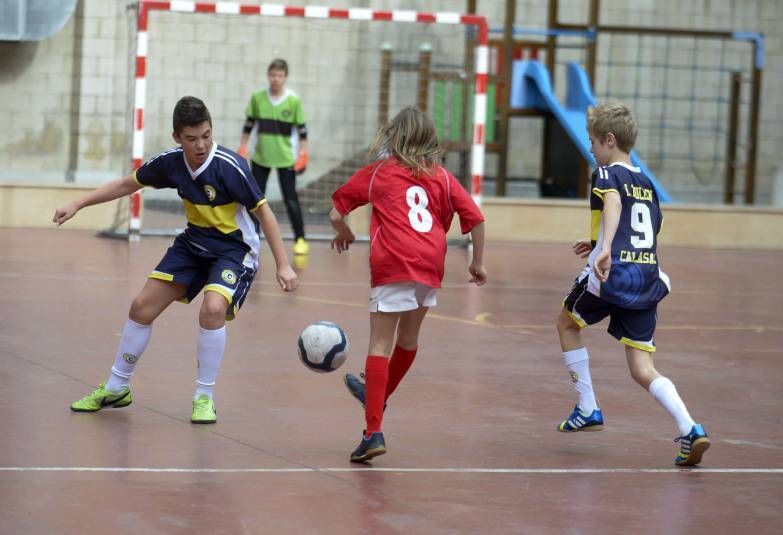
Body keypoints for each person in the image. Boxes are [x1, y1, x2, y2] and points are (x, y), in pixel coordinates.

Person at [54, 96, 298, 424]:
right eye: (192, 138)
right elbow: (128, 184)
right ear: (177, 137)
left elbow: (265, 213)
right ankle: (117, 386)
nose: (200, 144)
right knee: (141, 306)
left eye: (206, 135)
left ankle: (204, 397)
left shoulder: (231, 166)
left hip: (234, 250)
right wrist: (79, 203)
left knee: (213, 309)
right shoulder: (171, 163)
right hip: (193, 243)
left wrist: (283, 263)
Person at [329, 107, 487, 463]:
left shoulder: (379, 173)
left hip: (394, 261)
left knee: (380, 344)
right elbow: (475, 218)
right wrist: (477, 262)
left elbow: (336, 210)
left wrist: (345, 232)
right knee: (408, 341)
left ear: (393, 138)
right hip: (430, 261)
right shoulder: (443, 177)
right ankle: (377, 398)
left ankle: (373, 431)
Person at [556, 101, 709, 466]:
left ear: (609, 141)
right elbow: (648, 228)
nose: (591, 149)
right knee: (643, 368)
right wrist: (598, 241)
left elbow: (613, 205)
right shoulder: (647, 183)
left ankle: (588, 407)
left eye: (592, 141)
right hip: (645, 278)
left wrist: (605, 249)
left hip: (610, 275)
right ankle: (690, 429)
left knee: (565, 323)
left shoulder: (607, 174)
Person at [239, 59, 309, 256]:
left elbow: (302, 131)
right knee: (255, 199)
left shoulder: (293, 101)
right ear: (268, 76)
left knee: (291, 199)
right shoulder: (258, 98)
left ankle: (300, 239)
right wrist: (243, 146)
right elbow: (249, 124)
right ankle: (252, 238)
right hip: (261, 157)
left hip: (286, 158)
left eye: (279, 75)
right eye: (273, 75)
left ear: (285, 77)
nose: (276, 79)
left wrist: (303, 153)